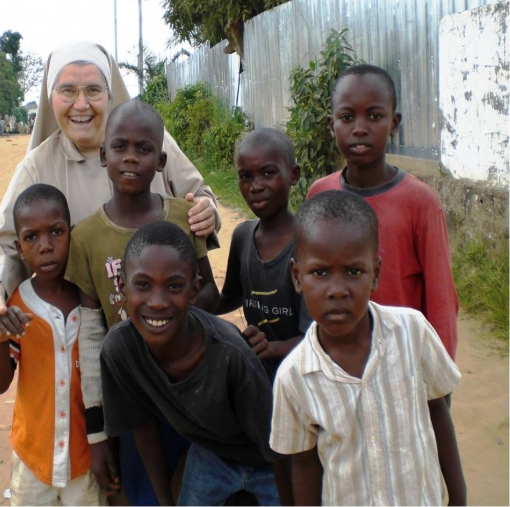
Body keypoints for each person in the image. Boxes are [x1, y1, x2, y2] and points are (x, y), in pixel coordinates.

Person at [0, 41, 219, 340]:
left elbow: (199, 197)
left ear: (109, 95)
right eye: (68, 91)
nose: (81, 105)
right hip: (83, 334)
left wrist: (208, 212)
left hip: (168, 329)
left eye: (93, 90)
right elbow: (5, 245)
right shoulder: (36, 166)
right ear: (51, 99)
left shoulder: (150, 141)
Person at [64, 99, 219, 505]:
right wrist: (98, 435)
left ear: (162, 159)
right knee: (142, 495)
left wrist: (166, 331)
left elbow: (210, 296)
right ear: (103, 155)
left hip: (192, 393)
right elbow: (93, 336)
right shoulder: (85, 237)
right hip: (129, 401)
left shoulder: (185, 218)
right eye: (120, 147)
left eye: (144, 148)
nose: (131, 157)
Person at [270, 189, 466, 506]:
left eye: (354, 272)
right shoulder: (293, 378)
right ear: (297, 276)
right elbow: (303, 465)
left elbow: (438, 412)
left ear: (375, 274)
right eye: (319, 273)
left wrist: (458, 498)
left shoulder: (412, 332)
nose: (337, 290)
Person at [100, 221, 290, 506]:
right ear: (121, 286)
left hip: (265, 461)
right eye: (142, 285)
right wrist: (166, 503)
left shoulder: (230, 355)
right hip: (212, 455)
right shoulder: (119, 350)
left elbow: (277, 450)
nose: (158, 302)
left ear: (194, 289)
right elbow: (142, 426)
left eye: (174, 286)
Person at [307, 64, 459, 359]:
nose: (360, 128)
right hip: (335, 361)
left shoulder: (420, 202)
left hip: (401, 362)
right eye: (347, 117)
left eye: (374, 116)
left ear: (394, 123)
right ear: (331, 125)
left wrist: (439, 384)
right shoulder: (319, 195)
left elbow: (441, 300)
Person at [0, 184, 107, 506]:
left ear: (72, 233)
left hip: (86, 459)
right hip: (32, 460)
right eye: (32, 238)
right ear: (19, 247)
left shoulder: (94, 306)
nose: (45, 246)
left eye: (56, 232)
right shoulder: (16, 305)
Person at [213, 128, 311, 380]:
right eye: (246, 176)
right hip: (261, 380)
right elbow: (230, 297)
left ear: (293, 175)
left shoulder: (309, 243)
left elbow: (319, 337)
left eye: (268, 173)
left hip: (305, 380)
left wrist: (272, 348)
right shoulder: (243, 236)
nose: (255, 186)